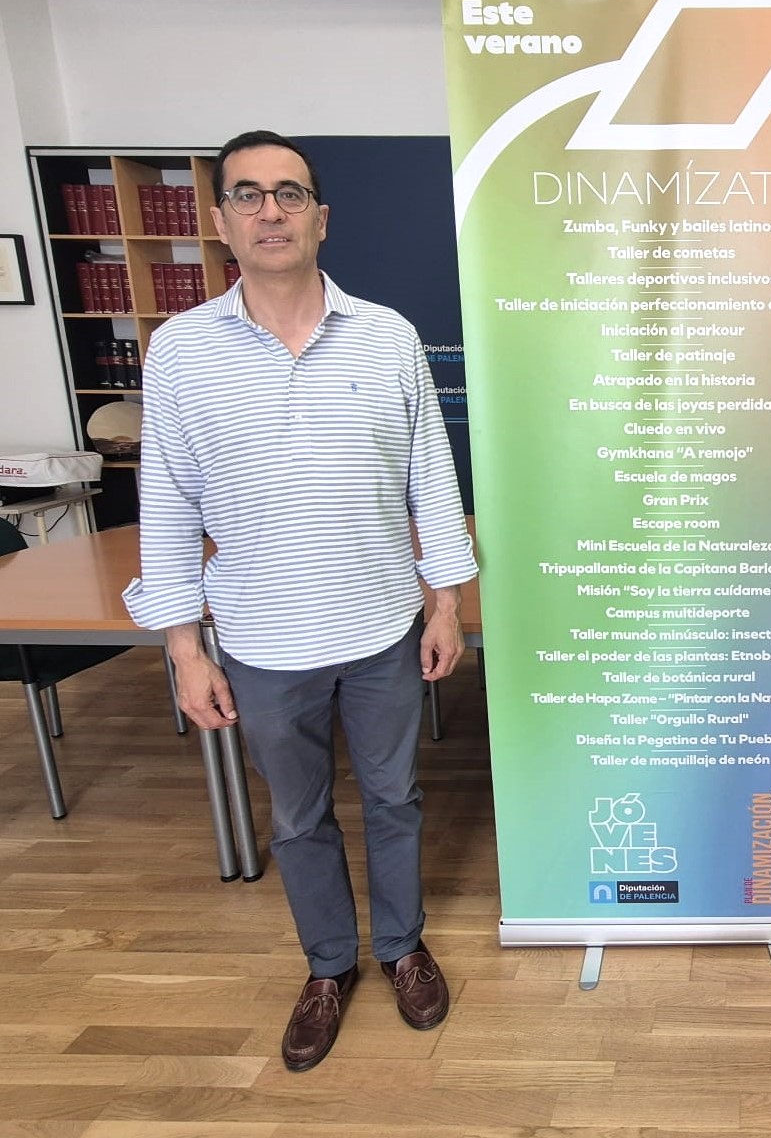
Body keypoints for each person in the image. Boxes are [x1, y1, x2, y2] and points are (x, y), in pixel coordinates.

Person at [123, 131, 478, 1072]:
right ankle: (328, 966)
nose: (270, 211)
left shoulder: (388, 335)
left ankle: (401, 947)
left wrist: (444, 601)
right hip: (261, 636)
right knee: (297, 817)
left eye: (289, 193)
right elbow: (166, 504)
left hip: (381, 625)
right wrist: (183, 647)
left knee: (396, 798)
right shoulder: (182, 351)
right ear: (220, 221)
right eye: (248, 194)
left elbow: (429, 476)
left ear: (322, 217)